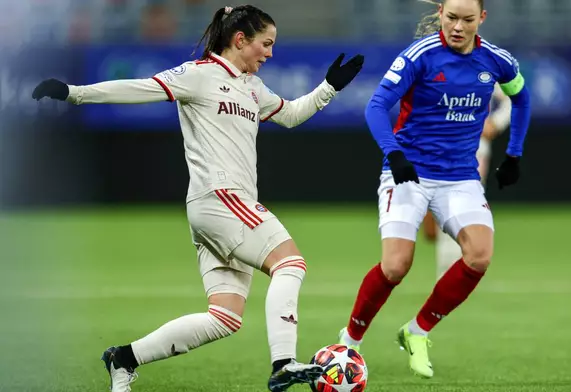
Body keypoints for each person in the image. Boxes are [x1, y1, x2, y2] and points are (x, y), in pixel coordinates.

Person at [32, 5, 364, 392]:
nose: (270, 53)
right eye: (266, 43)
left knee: (224, 318)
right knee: (290, 263)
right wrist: (73, 94)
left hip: (218, 211)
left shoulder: (253, 88)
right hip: (221, 198)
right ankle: (284, 362)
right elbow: (138, 87)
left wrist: (329, 88)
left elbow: (290, 115)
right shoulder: (199, 75)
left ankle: (123, 359)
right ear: (240, 39)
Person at [337, 0, 530, 379]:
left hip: (460, 177)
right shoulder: (419, 55)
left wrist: (515, 154)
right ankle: (350, 340)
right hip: (409, 173)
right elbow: (376, 107)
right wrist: (394, 155)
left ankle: (417, 331)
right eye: (452, 17)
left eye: (467, 19)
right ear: (440, 13)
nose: (458, 27)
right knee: (396, 265)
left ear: (482, 19)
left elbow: (521, 97)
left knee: (479, 256)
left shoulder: (497, 60)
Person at [424, 82, 512, 280]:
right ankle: (450, 277)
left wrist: (496, 123)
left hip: (473, 145)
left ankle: (450, 278)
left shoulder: (486, 63)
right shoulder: (434, 61)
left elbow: (514, 96)